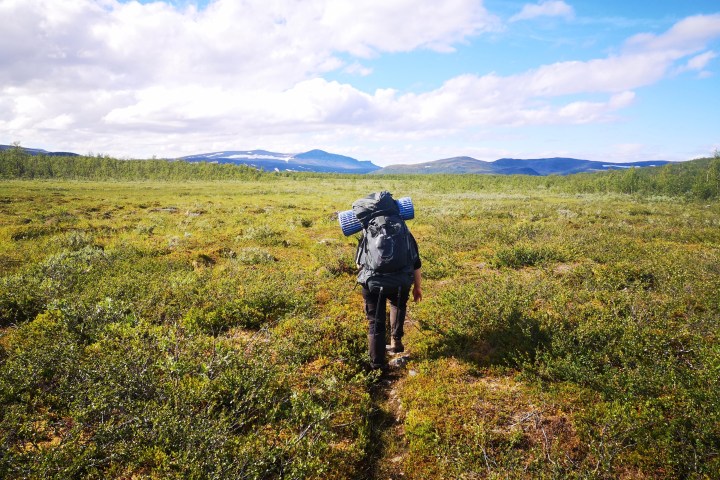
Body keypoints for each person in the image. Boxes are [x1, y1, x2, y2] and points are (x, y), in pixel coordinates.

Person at [352, 191, 423, 371]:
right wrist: (417, 288)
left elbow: (359, 261)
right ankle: (396, 341)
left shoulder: (367, 228)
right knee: (397, 302)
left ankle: (377, 365)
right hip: (400, 281)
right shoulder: (403, 229)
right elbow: (415, 261)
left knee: (375, 322)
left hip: (373, 282)